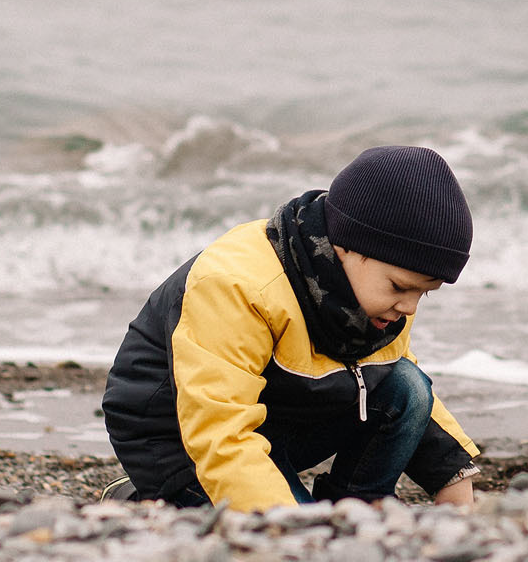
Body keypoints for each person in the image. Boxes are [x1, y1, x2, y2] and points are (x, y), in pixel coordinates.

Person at [101, 145, 482, 509]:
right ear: (347, 246)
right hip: (179, 436)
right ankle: (144, 494)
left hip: (274, 416)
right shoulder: (238, 285)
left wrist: (454, 478)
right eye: (400, 287)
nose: (410, 306)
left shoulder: (377, 300)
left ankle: (362, 502)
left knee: (406, 383)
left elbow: (394, 384)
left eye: (425, 293)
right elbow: (219, 431)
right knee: (297, 526)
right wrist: (288, 521)